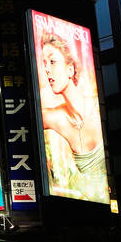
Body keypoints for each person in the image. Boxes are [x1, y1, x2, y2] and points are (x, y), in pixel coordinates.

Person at [36, 31, 106, 197]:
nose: (47, 69)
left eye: (52, 61)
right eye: (44, 63)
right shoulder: (56, 118)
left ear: (70, 69)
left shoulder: (97, 107)